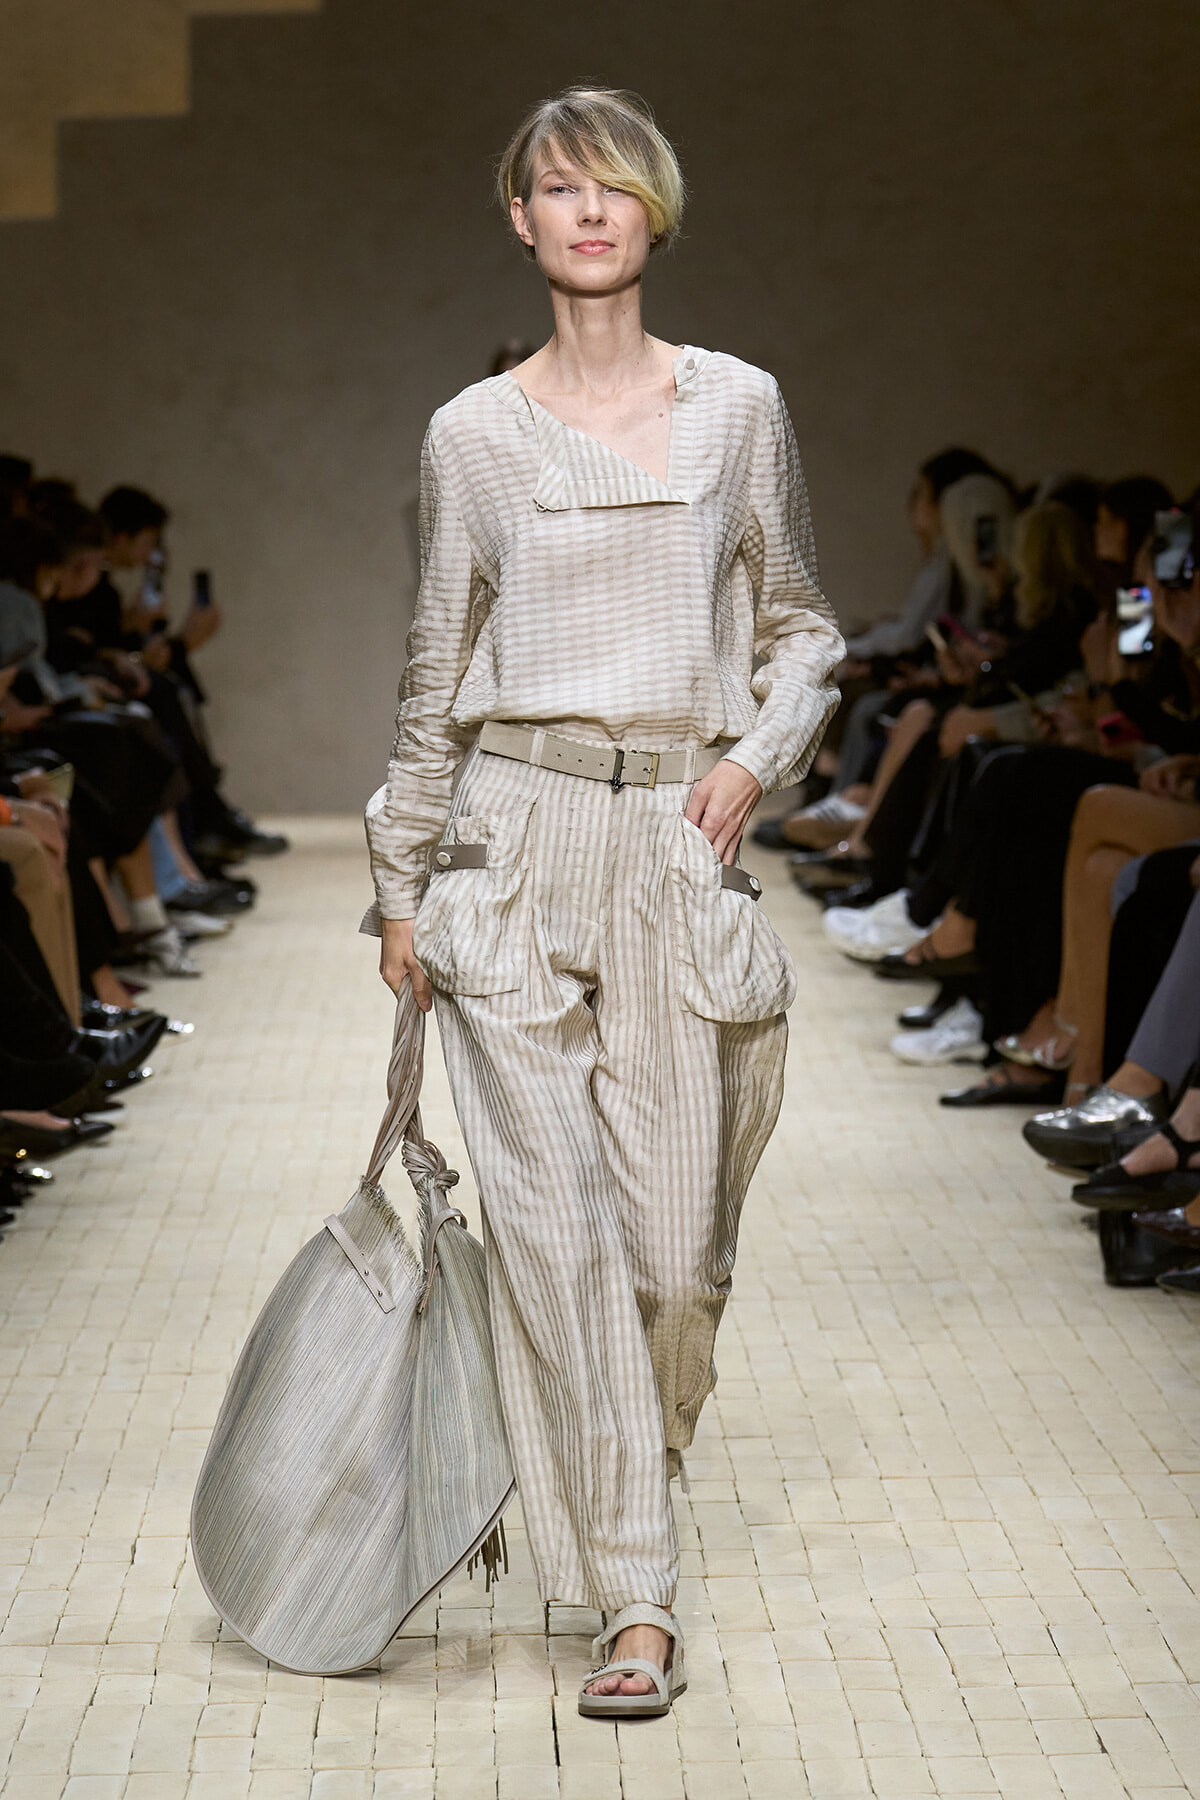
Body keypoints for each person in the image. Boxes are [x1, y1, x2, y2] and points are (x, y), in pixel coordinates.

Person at [364, 86, 842, 1718]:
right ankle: (635, 1593)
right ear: (519, 220)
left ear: (656, 211)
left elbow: (804, 625)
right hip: (512, 835)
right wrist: (401, 887)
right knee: (554, 1234)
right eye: (557, 188)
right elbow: (435, 668)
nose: (586, 210)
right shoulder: (473, 434)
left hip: (675, 841)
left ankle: (627, 1446)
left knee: (675, 1259)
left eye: (614, 185)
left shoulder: (739, 409)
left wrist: (758, 757)